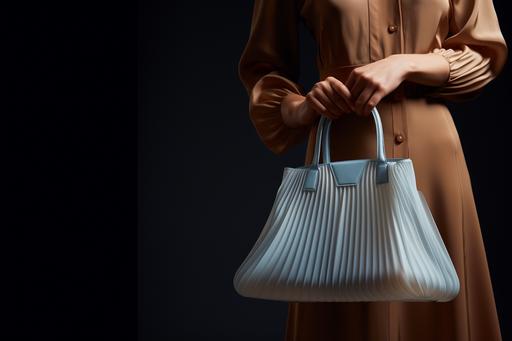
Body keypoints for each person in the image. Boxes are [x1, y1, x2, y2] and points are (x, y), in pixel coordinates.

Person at [237, 0, 508, 340]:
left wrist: (404, 64)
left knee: (438, 307)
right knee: (350, 313)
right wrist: (298, 108)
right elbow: (262, 67)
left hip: (432, 164)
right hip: (343, 156)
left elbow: (483, 53)